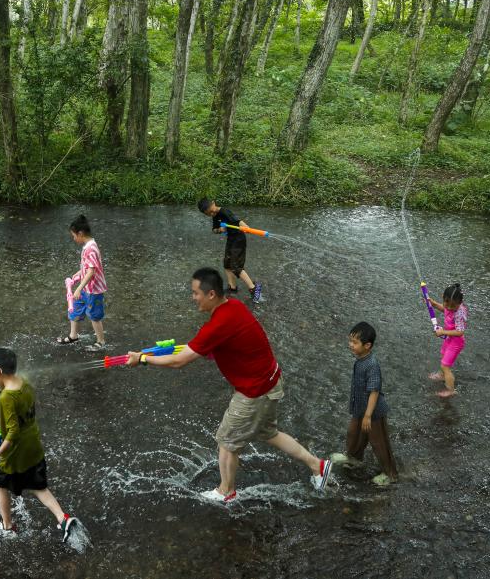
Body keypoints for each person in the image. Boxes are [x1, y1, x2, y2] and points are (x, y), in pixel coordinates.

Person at [126, 267, 331, 504]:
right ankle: (318, 466)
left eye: (195, 293)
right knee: (269, 433)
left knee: (226, 441)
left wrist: (143, 359)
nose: (193, 298)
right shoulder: (233, 306)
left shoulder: (218, 324)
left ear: (211, 294)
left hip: (255, 391)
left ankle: (226, 492)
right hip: (270, 381)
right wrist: (152, 354)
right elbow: (201, 347)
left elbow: (179, 361)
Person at [0, 347, 79, 542]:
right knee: (38, 486)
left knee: (0, 485)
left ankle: (7, 526)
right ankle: (63, 518)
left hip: (15, 451)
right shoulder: (24, 383)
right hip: (33, 445)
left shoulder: (6, 397)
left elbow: (12, 432)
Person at [331, 322, 398, 486]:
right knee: (353, 433)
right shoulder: (360, 359)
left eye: (354, 342)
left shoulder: (372, 364)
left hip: (373, 412)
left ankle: (390, 474)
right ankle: (354, 458)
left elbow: (374, 390)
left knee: (379, 442)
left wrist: (368, 415)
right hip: (360, 408)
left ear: (367, 345)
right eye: (350, 341)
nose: (350, 345)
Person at [197, 198, 262, 303]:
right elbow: (214, 229)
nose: (212, 213)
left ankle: (254, 288)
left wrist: (246, 227)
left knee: (236, 266)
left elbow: (238, 220)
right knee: (227, 264)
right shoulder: (215, 216)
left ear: (213, 203)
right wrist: (219, 230)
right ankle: (232, 287)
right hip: (231, 239)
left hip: (239, 239)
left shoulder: (224, 211)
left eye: (212, 210)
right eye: (209, 214)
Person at [57, 214, 107, 351]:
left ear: (80, 233)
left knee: (94, 316)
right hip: (86, 287)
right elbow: (88, 267)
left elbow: (92, 271)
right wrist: (80, 272)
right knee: (75, 308)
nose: (74, 239)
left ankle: (101, 341)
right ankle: (73, 335)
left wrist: (78, 288)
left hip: (93, 290)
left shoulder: (91, 248)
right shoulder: (88, 246)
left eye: (74, 236)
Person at [427, 283, 467, 398]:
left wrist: (443, 332)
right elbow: (445, 309)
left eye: (453, 306)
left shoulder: (460, 312)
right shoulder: (450, 305)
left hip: (456, 342)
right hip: (450, 339)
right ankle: (442, 375)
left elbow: (460, 332)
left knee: (446, 366)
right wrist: (434, 304)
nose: (449, 307)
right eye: (446, 303)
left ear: (459, 303)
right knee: (443, 356)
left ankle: (451, 390)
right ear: (443, 298)